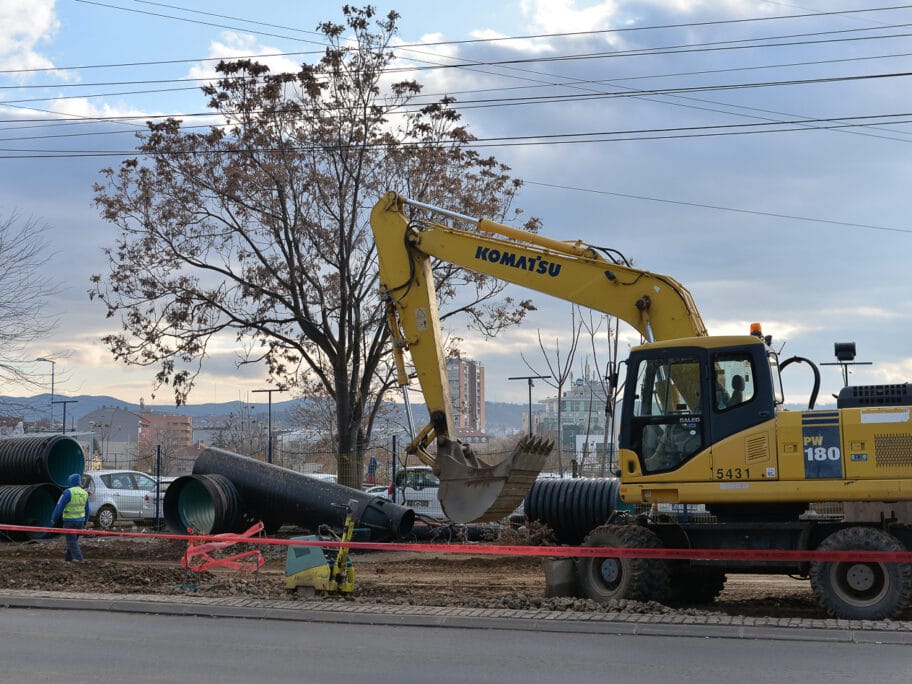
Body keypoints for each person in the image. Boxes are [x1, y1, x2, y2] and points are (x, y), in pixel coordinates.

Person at [51, 473, 89, 562]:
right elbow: (87, 509)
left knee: (71, 541)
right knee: (73, 541)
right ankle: (68, 559)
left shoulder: (68, 492)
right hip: (80, 521)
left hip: (69, 521)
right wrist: (85, 521)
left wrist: (54, 518)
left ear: (70, 481)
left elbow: (59, 506)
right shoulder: (84, 493)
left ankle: (79, 559)